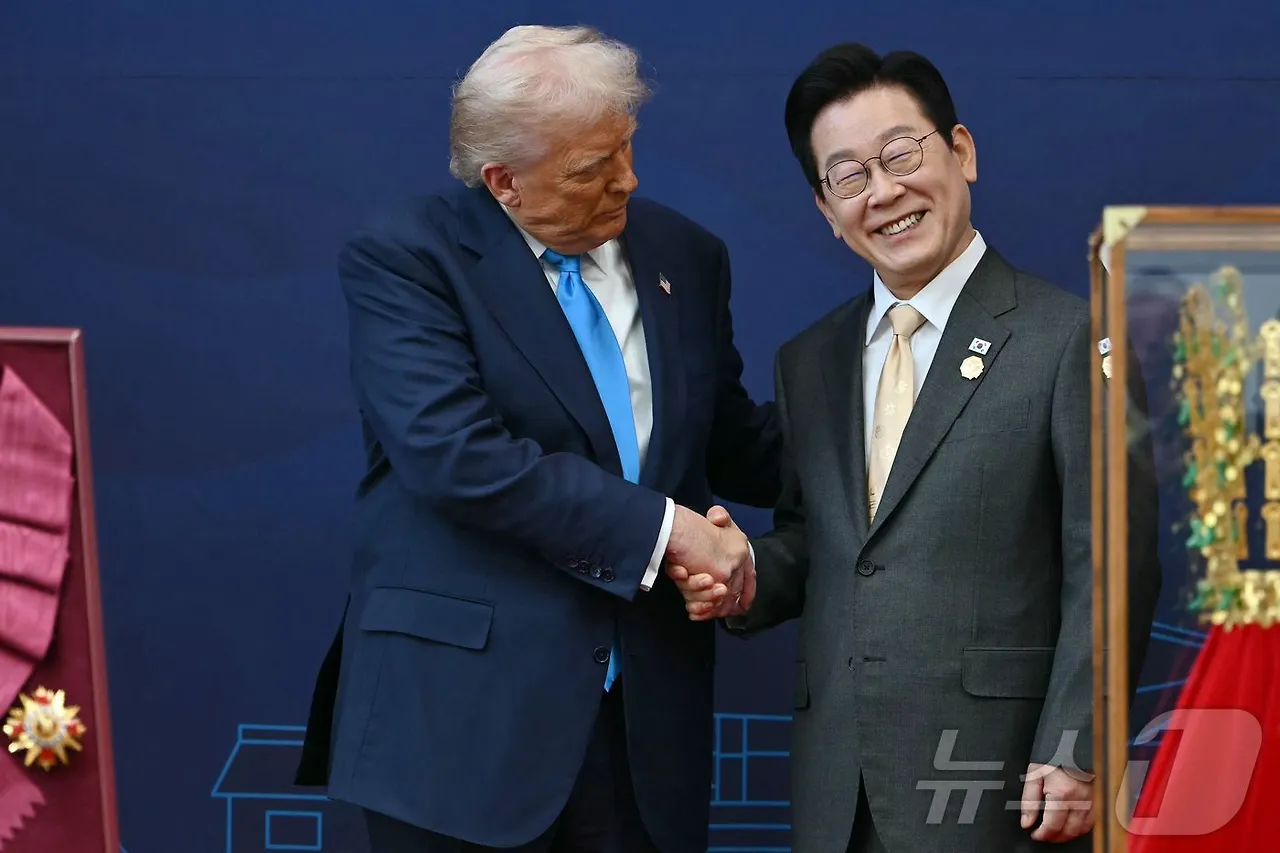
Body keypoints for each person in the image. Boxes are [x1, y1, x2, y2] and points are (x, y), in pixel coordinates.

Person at [294, 24, 781, 853]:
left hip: (642, 731)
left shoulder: (687, 255)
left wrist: (899, 436)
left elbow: (728, 441)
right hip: (460, 730)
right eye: (592, 168)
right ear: (504, 182)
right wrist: (671, 533)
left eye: (627, 147)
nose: (627, 179)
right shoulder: (409, 257)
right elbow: (457, 457)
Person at [668, 44, 1161, 852]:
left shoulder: (1070, 337)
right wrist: (744, 573)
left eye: (901, 154)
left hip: (1000, 781)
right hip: (839, 786)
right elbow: (829, 542)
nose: (884, 191)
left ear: (961, 152)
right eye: (849, 175)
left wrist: (1077, 745)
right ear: (827, 209)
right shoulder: (810, 360)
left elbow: (1113, 561)